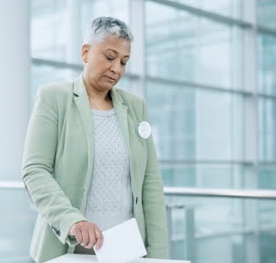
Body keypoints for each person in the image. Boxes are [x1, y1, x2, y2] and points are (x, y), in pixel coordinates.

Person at [22, 16, 169, 263]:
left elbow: (150, 183)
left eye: (124, 62)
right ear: (86, 52)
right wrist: (72, 220)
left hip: (127, 252)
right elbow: (34, 170)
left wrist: (159, 257)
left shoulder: (135, 107)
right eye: (110, 57)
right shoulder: (54, 98)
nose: (117, 69)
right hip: (68, 252)